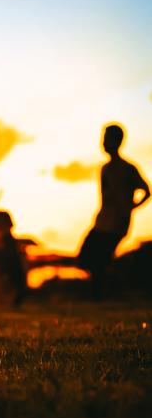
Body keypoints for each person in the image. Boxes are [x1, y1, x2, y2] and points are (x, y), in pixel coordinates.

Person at [78, 123, 149, 299]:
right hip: (102, 221)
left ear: (116, 141)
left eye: (106, 139)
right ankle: (104, 292)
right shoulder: (104, 168)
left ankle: (107, 292)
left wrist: (131, 207)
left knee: (100, 260)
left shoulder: (128, 169)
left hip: (117, 223)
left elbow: (147, 191)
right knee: (87, 257)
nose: (102, 142)